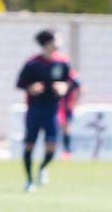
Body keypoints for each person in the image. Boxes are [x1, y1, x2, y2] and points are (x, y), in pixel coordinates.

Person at [16, 29, 77, 192]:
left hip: (53, 110)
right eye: (57, 39)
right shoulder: (33, 63)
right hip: (35, 110)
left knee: (51, 146)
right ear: (48, 43)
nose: (60, 43)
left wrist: (64, 87)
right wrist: (31, 87)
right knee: (29, 146)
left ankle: (42, 167)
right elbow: (20, 83)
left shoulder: (63, 62)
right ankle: (29, 181)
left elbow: (71, 82)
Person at [59, 75, 81, 160]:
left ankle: (66, 152)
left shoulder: (71, 77)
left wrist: (74, 102)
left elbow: (80, 89)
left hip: (66, 107)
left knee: (66, 128)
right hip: (55, 106)